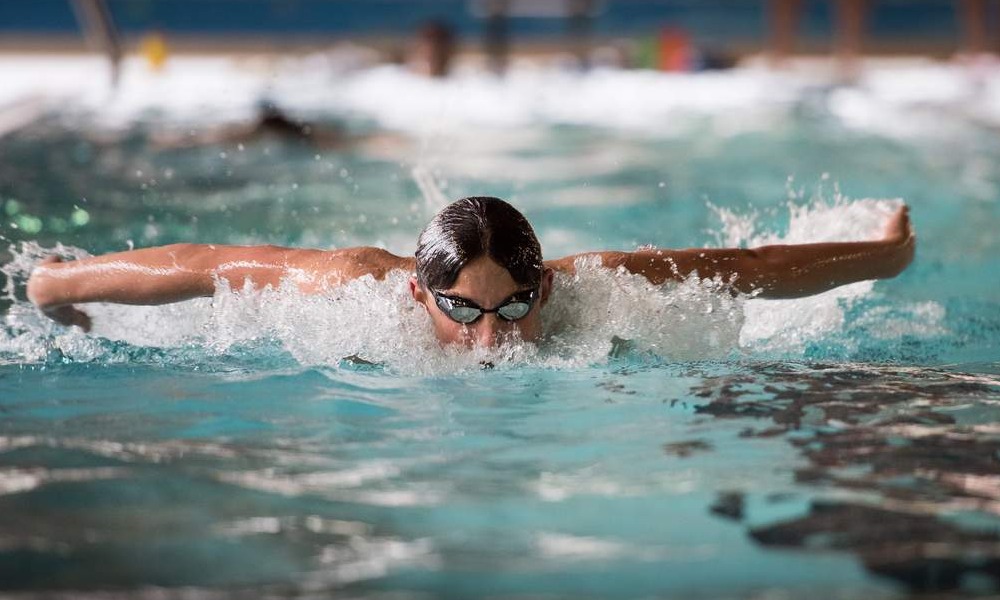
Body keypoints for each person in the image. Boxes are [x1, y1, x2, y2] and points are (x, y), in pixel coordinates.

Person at [26, 197, 915, 348]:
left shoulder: (597, 286)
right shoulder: (350, 290)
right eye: (461, 313)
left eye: (516, 308)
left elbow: (747, 270)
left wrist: (885, 256)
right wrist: (59, 284)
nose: (492, 340)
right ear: (418, 293)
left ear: (548, 288)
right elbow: (203, 266)